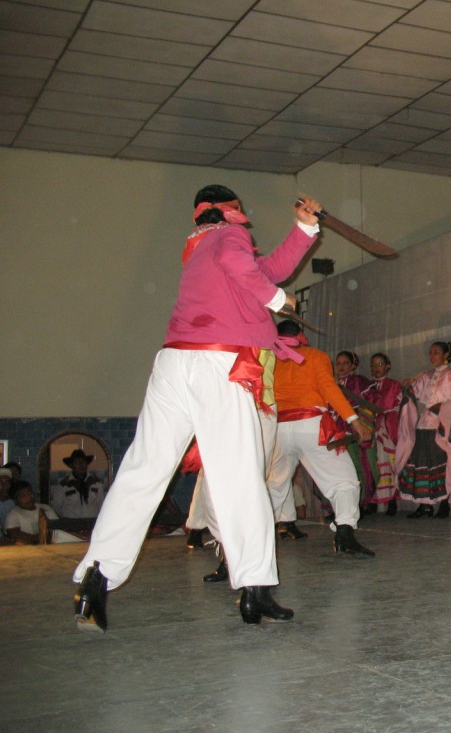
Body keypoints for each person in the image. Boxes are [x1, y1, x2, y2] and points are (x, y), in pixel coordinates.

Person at [71, 184, 323, 632]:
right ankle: (255, 590)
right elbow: (252, 273)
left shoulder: (198, 248)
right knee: (239, 476)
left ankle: (97, 577)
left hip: (173, 363)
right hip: (218, 363)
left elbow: (266, 269)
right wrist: (277, 301)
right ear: (232, 211)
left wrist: (304, 227)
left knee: (144, 469)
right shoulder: (228, 238)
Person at [265, 320, 375, 559]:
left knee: (274, 487)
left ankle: (244, 547)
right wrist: (355, 420)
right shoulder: (315, 356)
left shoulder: (269, 359)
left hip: (279, 429)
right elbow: (329, 388)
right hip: (311, 425)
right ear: (301, 335)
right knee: (344, 481)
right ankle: (344, 534)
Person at [395, 341, 451, 519]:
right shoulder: (427, 375)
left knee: (443, 463)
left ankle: (444, 504)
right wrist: (408, 386)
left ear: (446, 355)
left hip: (442, 425)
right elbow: (412, 391)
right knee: (423, 463)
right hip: (425, 423)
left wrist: (444, 407)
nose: (432, 356)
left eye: (436, 352)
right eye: (430, 353)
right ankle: (425, 504)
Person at [335, 350, 377, 512]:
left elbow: (370, 403)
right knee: (341, 469)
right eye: (339, 363)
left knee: (359, 467)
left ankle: (359, 503)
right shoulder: (331, 384)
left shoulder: (360, 382)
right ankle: (343, 507)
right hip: (337, 431)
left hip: (355, 430)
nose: (342, 366)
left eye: (346, 363)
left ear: (353, 365)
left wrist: (362, 424)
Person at [364, 352, 402, 515]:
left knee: (390, 464)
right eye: (373, 365)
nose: (376, 368)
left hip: (388, 427)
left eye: (380, 364)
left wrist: (385, 420)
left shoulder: (394, 385)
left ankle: (392, 499)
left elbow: (397, 407)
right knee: (374, 464)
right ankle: (373, 500)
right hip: (372, 427)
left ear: (387, 365)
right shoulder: (368, 387)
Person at [50, 449, 106, 519]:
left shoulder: (96, 483)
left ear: (87, 464)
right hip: (70, 526)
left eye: (83, 461)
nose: (81, 465)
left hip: (92, 524)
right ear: (71, 465)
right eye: (77, 462)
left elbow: (102, 505)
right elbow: (56, 507)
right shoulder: (63, 486)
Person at [4, 480, 58, 545]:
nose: (29, 498)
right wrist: (42, 537)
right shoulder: (13, 515)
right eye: (23, 496)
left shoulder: (46, 508)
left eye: (30, 493)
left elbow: (58, 528)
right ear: (15, 501)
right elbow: (15, 536)